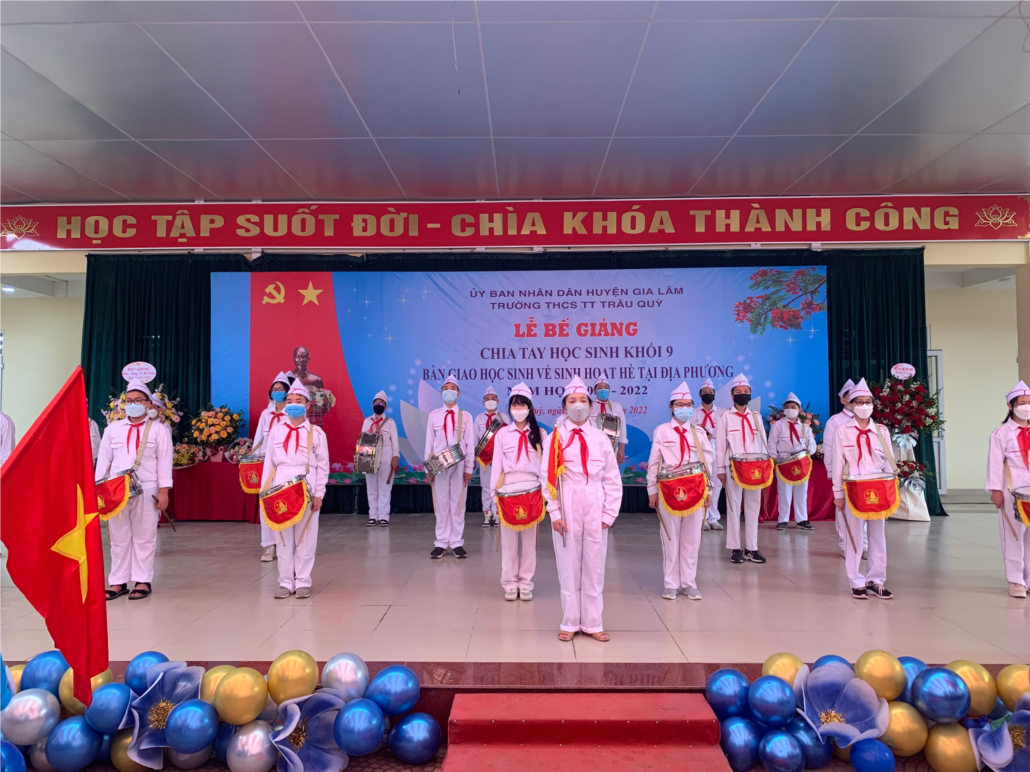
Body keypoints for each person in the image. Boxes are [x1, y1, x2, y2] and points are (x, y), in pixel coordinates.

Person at [542, 376, 622, 642]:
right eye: (572, 401)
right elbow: (547, 477)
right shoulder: (555, 437)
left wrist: (609, 512)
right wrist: (554, 512)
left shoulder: (600, 437)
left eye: (583, 401)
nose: (578, 405)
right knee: (569, 564)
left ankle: (592, 622)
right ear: (564, 406)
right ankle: (570, 621)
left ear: (591, 405)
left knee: (594, 564)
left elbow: (612, 477)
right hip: (568, 498)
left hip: (595, 499)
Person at [96, 379, 173, 601]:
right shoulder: (113, 429)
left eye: (138, 400)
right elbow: (103, 463)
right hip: (115, 490)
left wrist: (164, 491)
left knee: (144, 536)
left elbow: (164, 462)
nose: (133, 404)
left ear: (148, 403)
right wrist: (99, 491)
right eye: (129, 400)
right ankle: (118, 581)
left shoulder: (159, 430)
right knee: (118, 537)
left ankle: (142, 580)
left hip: (148, 488)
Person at [260, 379, 329, 599]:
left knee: (305, 536)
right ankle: (285, 582)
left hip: (306, 485)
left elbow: (323, 465)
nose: (293, 405)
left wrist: (319, 493)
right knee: (283, 537)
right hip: (280, 485)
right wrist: (264, 493)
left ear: (307, 405)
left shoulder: (316, 433)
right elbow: (269, 464)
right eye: (289, 401)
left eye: (298, 401)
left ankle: (302, 581)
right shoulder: (276, 431)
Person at [647, 382, 713, 601]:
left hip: (696, 488)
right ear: (671, 407)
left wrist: (709, 490)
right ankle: (671, 584)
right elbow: (654, 462)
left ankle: (689, 583)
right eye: (679, 404)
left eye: (688, 404)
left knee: (692, 539)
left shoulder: (699, 432)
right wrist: (651, 490)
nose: (684, 408)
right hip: (669, 489)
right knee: (670, 537)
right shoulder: (662, 431)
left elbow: (708, 463)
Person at [832, 378, 896, 601]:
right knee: (855, 537)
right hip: (853, 489)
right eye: (859, 402)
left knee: (878, 537)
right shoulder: (843, 431)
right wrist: (838, 494)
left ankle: (876, 580)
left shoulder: (881, 430)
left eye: (868, 402)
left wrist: (890, 489)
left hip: (878, 488)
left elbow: (889, 461)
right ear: (851, 405)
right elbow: (838, 464)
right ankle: (856, 581)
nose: (864, 405)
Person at [489, 383, 547, 601]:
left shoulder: (540, 433)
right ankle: (510, 583)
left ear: (530, 407)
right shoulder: (503, 434)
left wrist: (545, 495)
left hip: (532, 488)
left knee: (530, 543)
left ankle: (526, 583)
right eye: (515, 404)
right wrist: (494, 494)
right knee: (509, 542)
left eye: (523, 404)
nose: (519, 408)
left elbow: (545, 466)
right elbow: (497, 465)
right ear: (510, 407)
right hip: (508, 488)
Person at [716, 373, 769, 565]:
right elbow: (720, 445)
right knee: (733, 507)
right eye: (738, 392)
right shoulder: (725, 416)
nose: (743, 394)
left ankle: (752, 548)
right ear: (732, 395)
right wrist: (720, 469)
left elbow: (763, 443)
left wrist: (765, 467)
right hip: (733, 468)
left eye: (746, 391)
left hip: (755, 468)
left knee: (753, 506)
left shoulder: (756, 416)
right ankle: (735, 548)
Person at [986, 381, 1030, 598]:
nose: (1026, 407)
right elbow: (994, 463)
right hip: (1012, 488)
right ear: (1010, 406)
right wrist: (995, 490)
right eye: (1021, 403)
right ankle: (1016, 580)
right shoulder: (1001, 433)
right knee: (1013, 534)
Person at [425, 375, 475, 559]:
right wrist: (428, 469)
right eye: (446, 388)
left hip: (459, 465)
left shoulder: (466, 417)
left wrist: (468, 469)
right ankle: (441, 543)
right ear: (441, 393)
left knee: (458, 503)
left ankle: (456, 542)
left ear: (458, 393)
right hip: (438, 465)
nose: (449, 391)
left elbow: (469, 444)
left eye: (453, 388)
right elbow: (429, 442)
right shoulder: (433, 415)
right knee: (441, 503)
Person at [824, 379, 867, 558]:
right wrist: (830, 471)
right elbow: (828, 447)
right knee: (843, 508)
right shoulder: (835, 421)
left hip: (865, 472)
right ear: (843, 400)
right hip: (844, 471)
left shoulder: (867, 420)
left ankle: (864, 545)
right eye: (852, 397)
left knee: (864, 507)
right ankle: (845, 544)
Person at [252, 372, 293, 561]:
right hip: (267, 466)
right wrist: (255, 462)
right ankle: (268, 545)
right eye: (274, 389)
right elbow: (258, 439)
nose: (277, 392)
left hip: (286, 466)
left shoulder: (292, 413)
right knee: (266, 503)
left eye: (281, 389)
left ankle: (285, 543)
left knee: (285, 503)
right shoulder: (265, 414)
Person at [769, 392, 817, 532]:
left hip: (801, 462)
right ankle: (783, 520)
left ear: (799, 409)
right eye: (788, 406)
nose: (790, 409)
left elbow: (811, 444)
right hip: (784, 462)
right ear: (784, 409)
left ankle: (802, 519)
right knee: (784, 492)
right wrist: (774, 457)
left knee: (802, 492)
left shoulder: (805, 427)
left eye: (794, 407)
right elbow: (772, 442)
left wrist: (808, 453)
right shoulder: (778, 425)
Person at [361, 390, 399, 527]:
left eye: (381, 403)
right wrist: (362, 458)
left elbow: (395, 442)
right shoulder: (366, 422)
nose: (378, 405)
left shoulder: (390, 423)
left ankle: (383, 517)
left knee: (384, 487)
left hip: (386, 454)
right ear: (372, 405)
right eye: (376, 402)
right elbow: (362, 440)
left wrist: (395, 457)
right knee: (371, 488)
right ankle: (373, 516)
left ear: (386, 406)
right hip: (369, 455)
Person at [692, 378, 724, 531]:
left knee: (716, 486)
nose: (708, 394)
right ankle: (701, 517)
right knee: (701, 484)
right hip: (700, 451)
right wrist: (704, 435)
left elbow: (724, 430)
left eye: (711, 392)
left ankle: (713, 518)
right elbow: (691, 430)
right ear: (700, 395)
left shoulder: (722, 412)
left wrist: (711, 434)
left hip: (717, 451)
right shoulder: (694, 413)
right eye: (705, 392)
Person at [475, 385, 508, 527]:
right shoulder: (479, 418)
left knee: (499, 485)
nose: (490, 401)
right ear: (483, 402)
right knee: (486, 486)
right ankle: (487, 513)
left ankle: (497, 513)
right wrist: (474, 459)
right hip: (484, 458)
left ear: (498, 401)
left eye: (493, 398)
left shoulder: (503, 417)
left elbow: (509, 437)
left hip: (500, 458)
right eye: (487, 399)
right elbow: (475, 439)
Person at [591, 377, 628, 464]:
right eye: (600, 388)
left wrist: (621, 449)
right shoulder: (589, 406)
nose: (603, 390)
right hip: (592, 447)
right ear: (594, 391)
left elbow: (622, 428)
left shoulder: (616, 406)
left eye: (606, 387)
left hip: (612, 448)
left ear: (609, 390)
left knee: (611, 471)